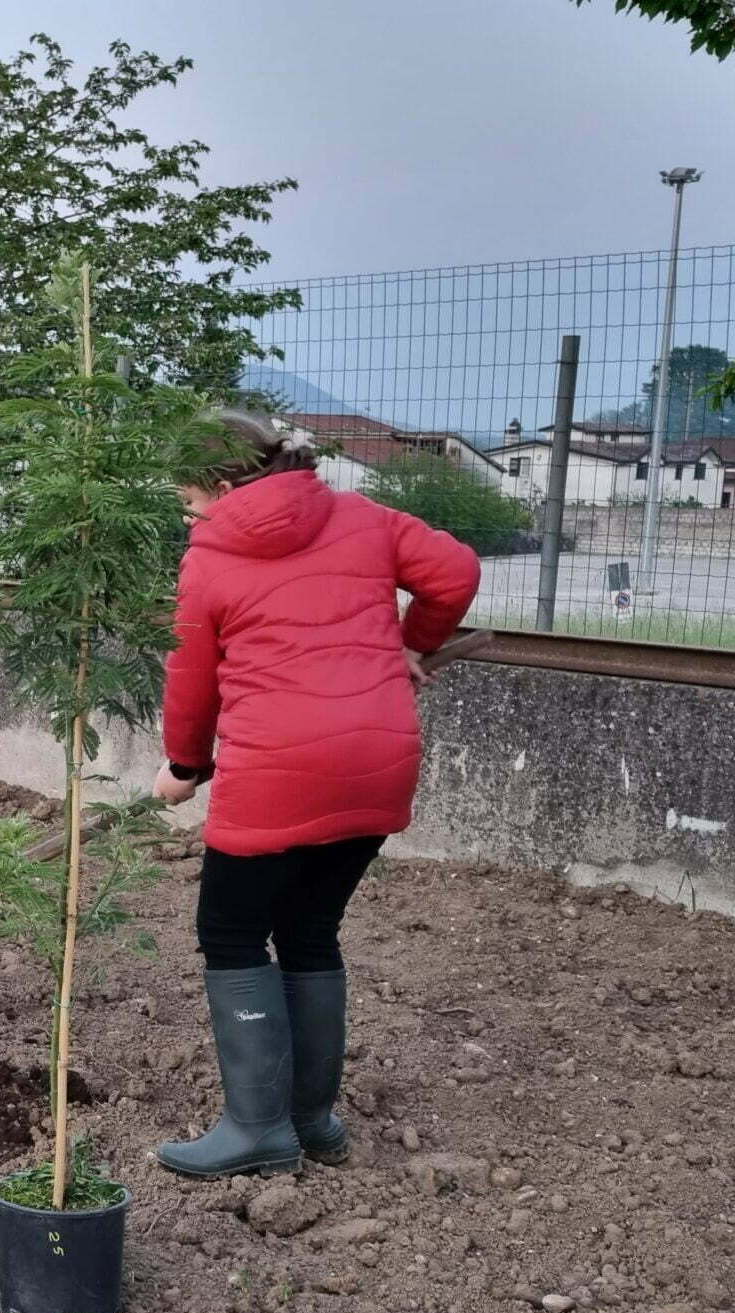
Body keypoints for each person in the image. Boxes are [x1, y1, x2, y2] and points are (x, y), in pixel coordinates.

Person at [150, 408, 480, 1178]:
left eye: (189, 497)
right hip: (377, 760)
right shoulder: (363, 516)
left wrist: (184, 763)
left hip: (276, 770)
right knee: (309, 929)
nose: (187, 511)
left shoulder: (210, 560)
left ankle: (258, 1127)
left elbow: (190, 680)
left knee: (232, 933)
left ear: (228, 485)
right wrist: (413, 643)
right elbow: (457, 573)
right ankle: (314, 1121)